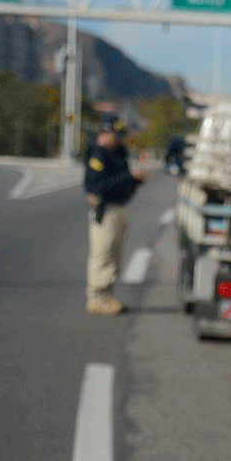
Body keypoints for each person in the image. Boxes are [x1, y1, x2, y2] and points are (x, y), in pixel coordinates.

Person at [84, 115, 146, 314]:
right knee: (102, 252)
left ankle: (107, 294)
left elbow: (123, 180)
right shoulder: (98, 155)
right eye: (115, 135)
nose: (118, 139)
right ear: (105, 133)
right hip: (105, 209)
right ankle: (97, 297)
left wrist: (135, 180)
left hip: (118, 207)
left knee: (114, 254)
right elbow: (97, 186)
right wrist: (128, 176)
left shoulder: (118, 153)